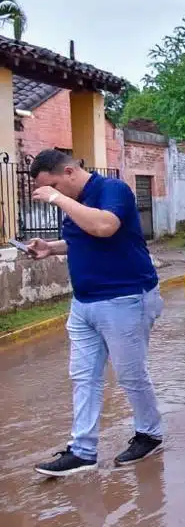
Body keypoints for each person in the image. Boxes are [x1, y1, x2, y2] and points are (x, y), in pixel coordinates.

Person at [27, 149, 164, 477]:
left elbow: (104, 227)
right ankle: (82, 450)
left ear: (70, 172)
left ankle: (150, 433)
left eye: (56, 185)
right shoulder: (76, 200)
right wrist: (52, 247)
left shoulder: (112, 190)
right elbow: (81, 237)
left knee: (130, 375)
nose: (55, 193)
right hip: (84, 303)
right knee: (83, 376)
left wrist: (58, 200)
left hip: (125, 299)